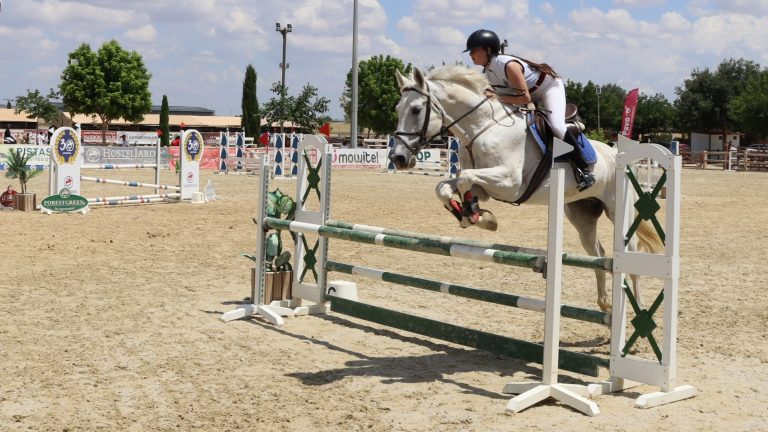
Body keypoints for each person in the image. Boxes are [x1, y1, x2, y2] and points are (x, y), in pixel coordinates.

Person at [464, 29, 595, 190]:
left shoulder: (507, 64)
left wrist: (497, 98)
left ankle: (584, 170)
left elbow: (525, 98)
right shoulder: (488, 71)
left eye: (474, 50)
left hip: (548, 88)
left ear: (488, 49)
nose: (471, 55)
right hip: (527, 94)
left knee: (556, 126)